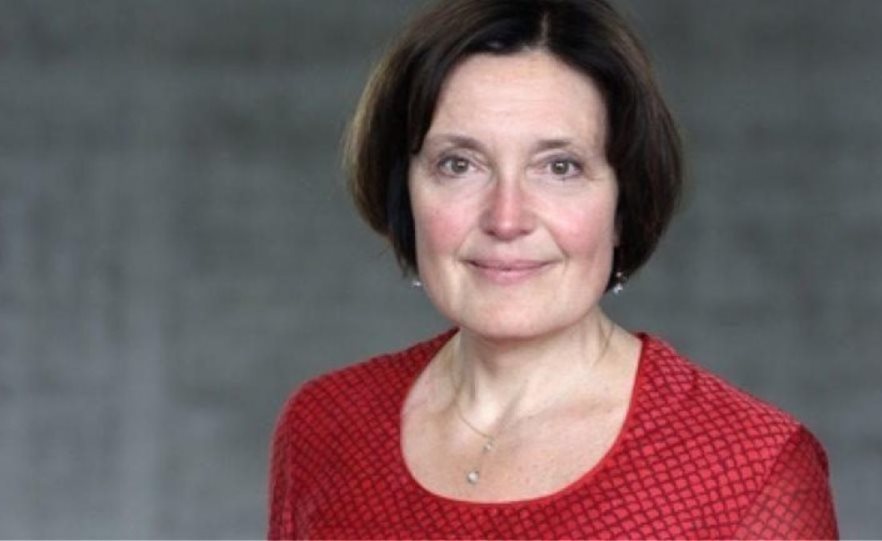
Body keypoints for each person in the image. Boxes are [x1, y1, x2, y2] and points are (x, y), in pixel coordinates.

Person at [267, 0, 839, 538]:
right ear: (405, 192)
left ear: (623, 203)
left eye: (559, 167)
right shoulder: (324, 426)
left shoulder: (751, 468)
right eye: (459, 164)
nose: (506, 218)